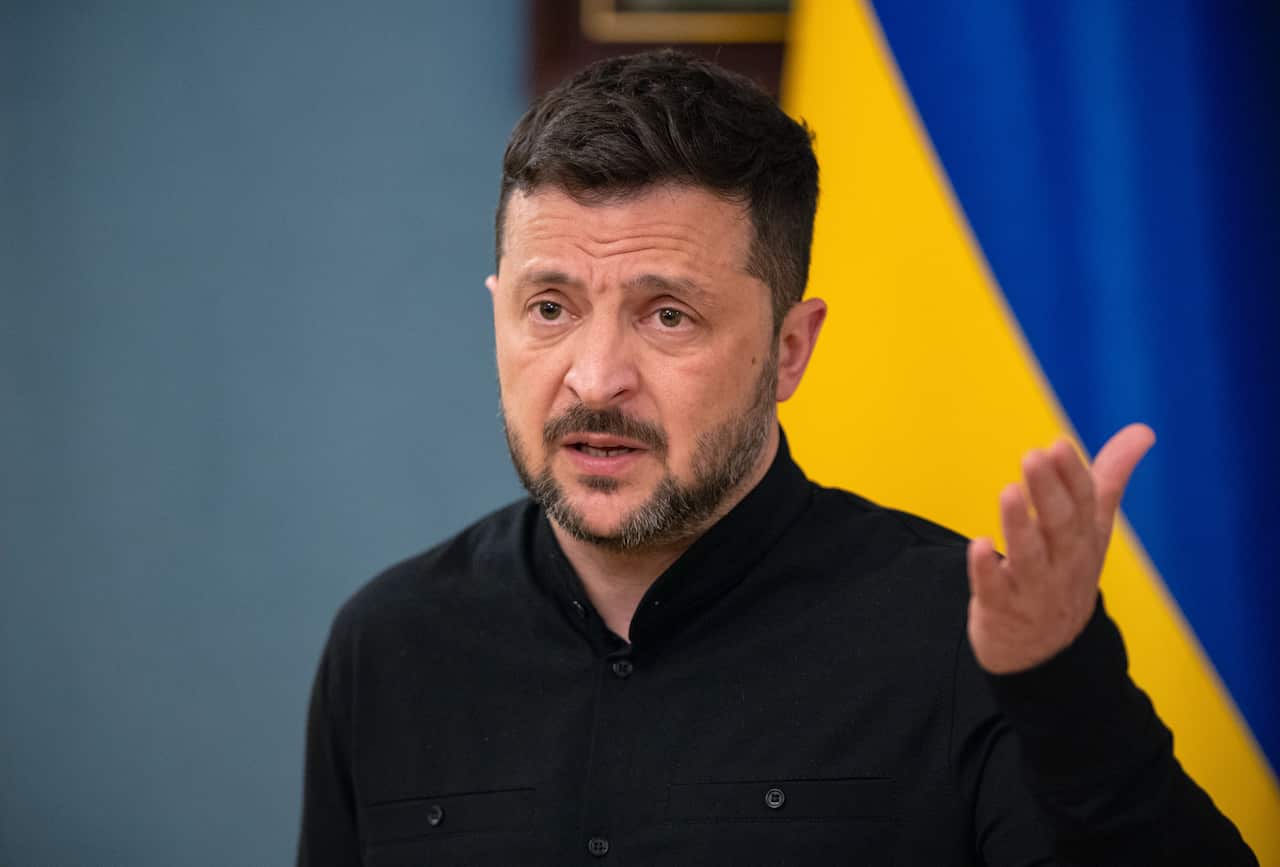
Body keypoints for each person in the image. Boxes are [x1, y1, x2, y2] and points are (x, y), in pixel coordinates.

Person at [297, 50, 1256, 866]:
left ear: (790, 349)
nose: (594, 378)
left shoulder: (968, 640)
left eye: (667, 316)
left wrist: (1065, 693)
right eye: (550, 308)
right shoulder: (386, 647)